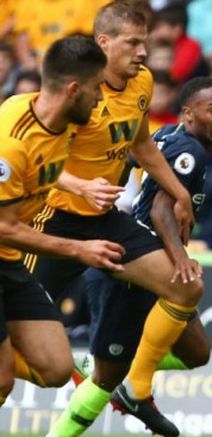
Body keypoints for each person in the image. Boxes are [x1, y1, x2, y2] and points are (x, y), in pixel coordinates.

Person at [24, 1, 201, 437]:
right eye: (134, 42)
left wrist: (180, 195)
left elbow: (142, 146)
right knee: (21, 348)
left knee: (187, 286)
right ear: (104, 43)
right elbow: (35, 155)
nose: (145, 51)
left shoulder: (141, 82)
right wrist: (78, 186)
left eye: (146, 40)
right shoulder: (75, 90)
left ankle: (135, 387)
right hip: (52, 220)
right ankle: (78, 370)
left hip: (104, 220)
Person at [33, 77, 212, 437]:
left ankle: (118, 372)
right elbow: (158, 208)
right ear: (188, 114)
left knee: (197, 352)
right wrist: (179, 257)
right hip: (135, 269)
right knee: (110, 375)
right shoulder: (188, 151)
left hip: (150, 264)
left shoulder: (168, 138)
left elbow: (136, 156)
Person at [0, 35, 123, 413]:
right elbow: (3, 227)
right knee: (1, 379)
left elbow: (45, 168)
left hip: (7, 262)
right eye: (96, 89)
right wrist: (79, 249)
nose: (101, 98)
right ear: (73, 90)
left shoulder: (60, 120)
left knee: (55, 368)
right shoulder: (11, 143)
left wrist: (81, 185)